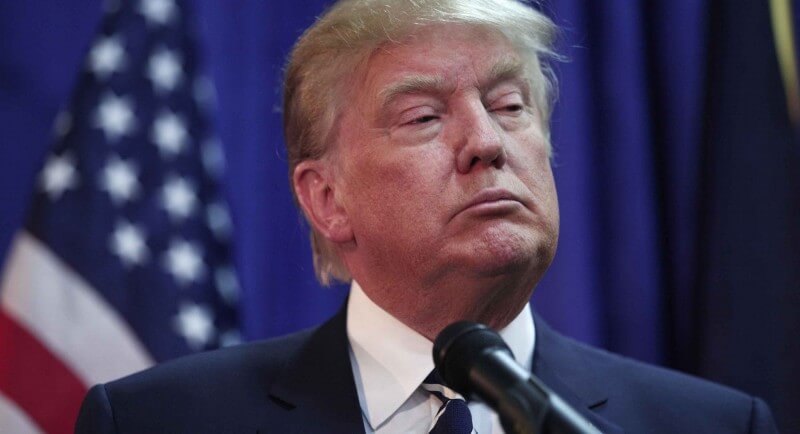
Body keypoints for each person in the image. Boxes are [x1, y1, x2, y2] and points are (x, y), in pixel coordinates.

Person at [75, 0, 779, 433]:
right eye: (423, 116)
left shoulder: (712, 425)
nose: (486, 143)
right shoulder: (158, 422)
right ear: (327, 199)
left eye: (510, 106)